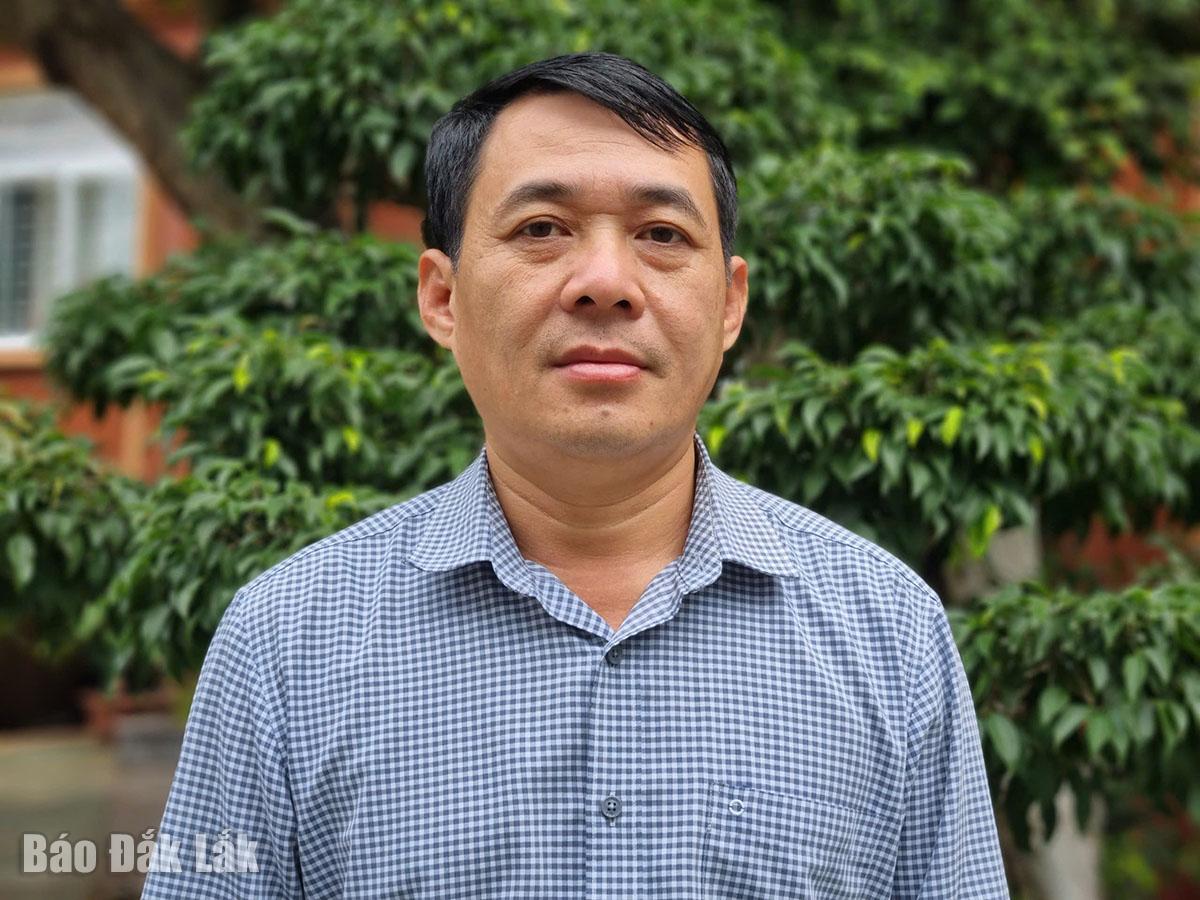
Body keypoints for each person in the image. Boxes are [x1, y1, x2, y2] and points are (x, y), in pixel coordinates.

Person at [142, 51, 1009, 898]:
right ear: (442, 297)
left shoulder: (889, 631)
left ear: (730, 304)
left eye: (661, 235)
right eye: (542, 229)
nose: (605, 283)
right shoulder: (287, 642)